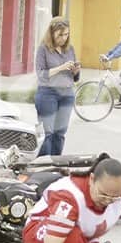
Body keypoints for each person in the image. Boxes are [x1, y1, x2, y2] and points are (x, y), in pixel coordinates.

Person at [34, 17, 79, 156]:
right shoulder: (43, 49)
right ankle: (43, 164)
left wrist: (75, 71)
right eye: (60, 34)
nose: (64, 38)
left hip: (67, 94)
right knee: (48, 132)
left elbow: (75, 78)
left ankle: (56, 164)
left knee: (60, 132)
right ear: (52, 33)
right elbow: (41, 74)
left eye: (66, 34)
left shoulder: (70, 49)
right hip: (48, 93)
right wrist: (61, 67)